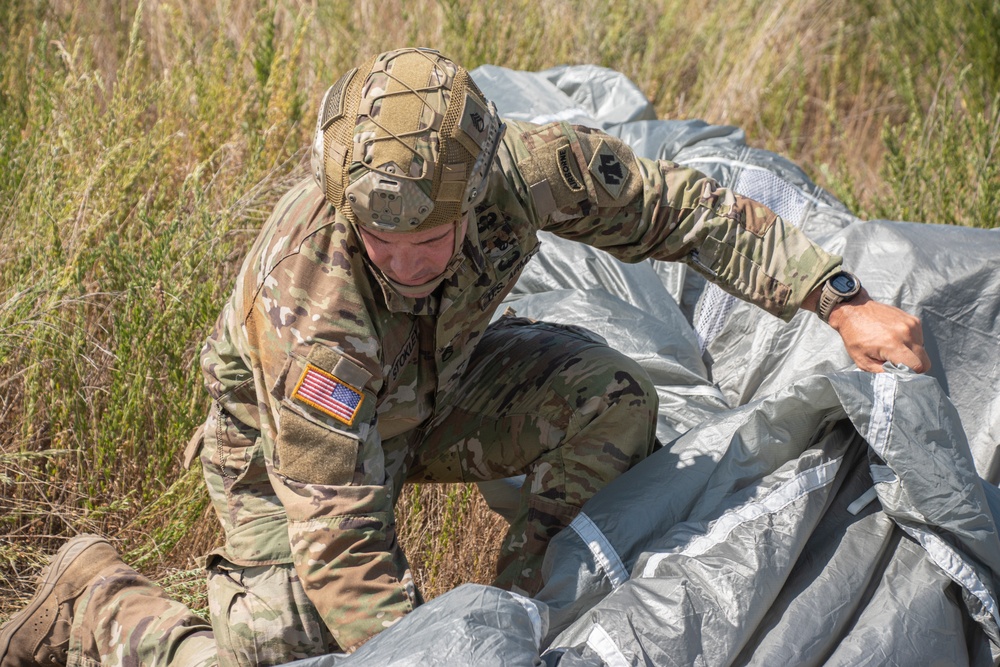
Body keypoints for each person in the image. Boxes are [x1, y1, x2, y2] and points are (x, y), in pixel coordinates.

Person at [0, 47, 928, 667]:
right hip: (290, 456)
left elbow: (678, 208)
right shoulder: (314, 312)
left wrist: (837, 299)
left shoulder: (523, 169)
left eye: (429, 242)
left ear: (477, 189)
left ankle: (537, 611)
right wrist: (435, 650)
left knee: (609, 398)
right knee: (293, 643)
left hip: (436, 385)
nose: (403, 264)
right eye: (380, 242)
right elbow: (344, 542)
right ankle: (101, 602)